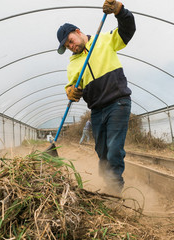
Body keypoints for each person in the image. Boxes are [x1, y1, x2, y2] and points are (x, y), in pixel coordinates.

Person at [56, 0, 136, 193]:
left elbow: (127, 30)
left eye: (70, 40)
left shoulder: (104, 40)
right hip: (97, 111)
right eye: (67, 46)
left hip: (118, 102)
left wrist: (120, 11)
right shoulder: (73, 64)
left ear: (78, 31)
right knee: (102, 152)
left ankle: (115, 190)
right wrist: (70, 92)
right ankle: (107, 181)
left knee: (114, 148)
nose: (71, 46)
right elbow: (72, 87)